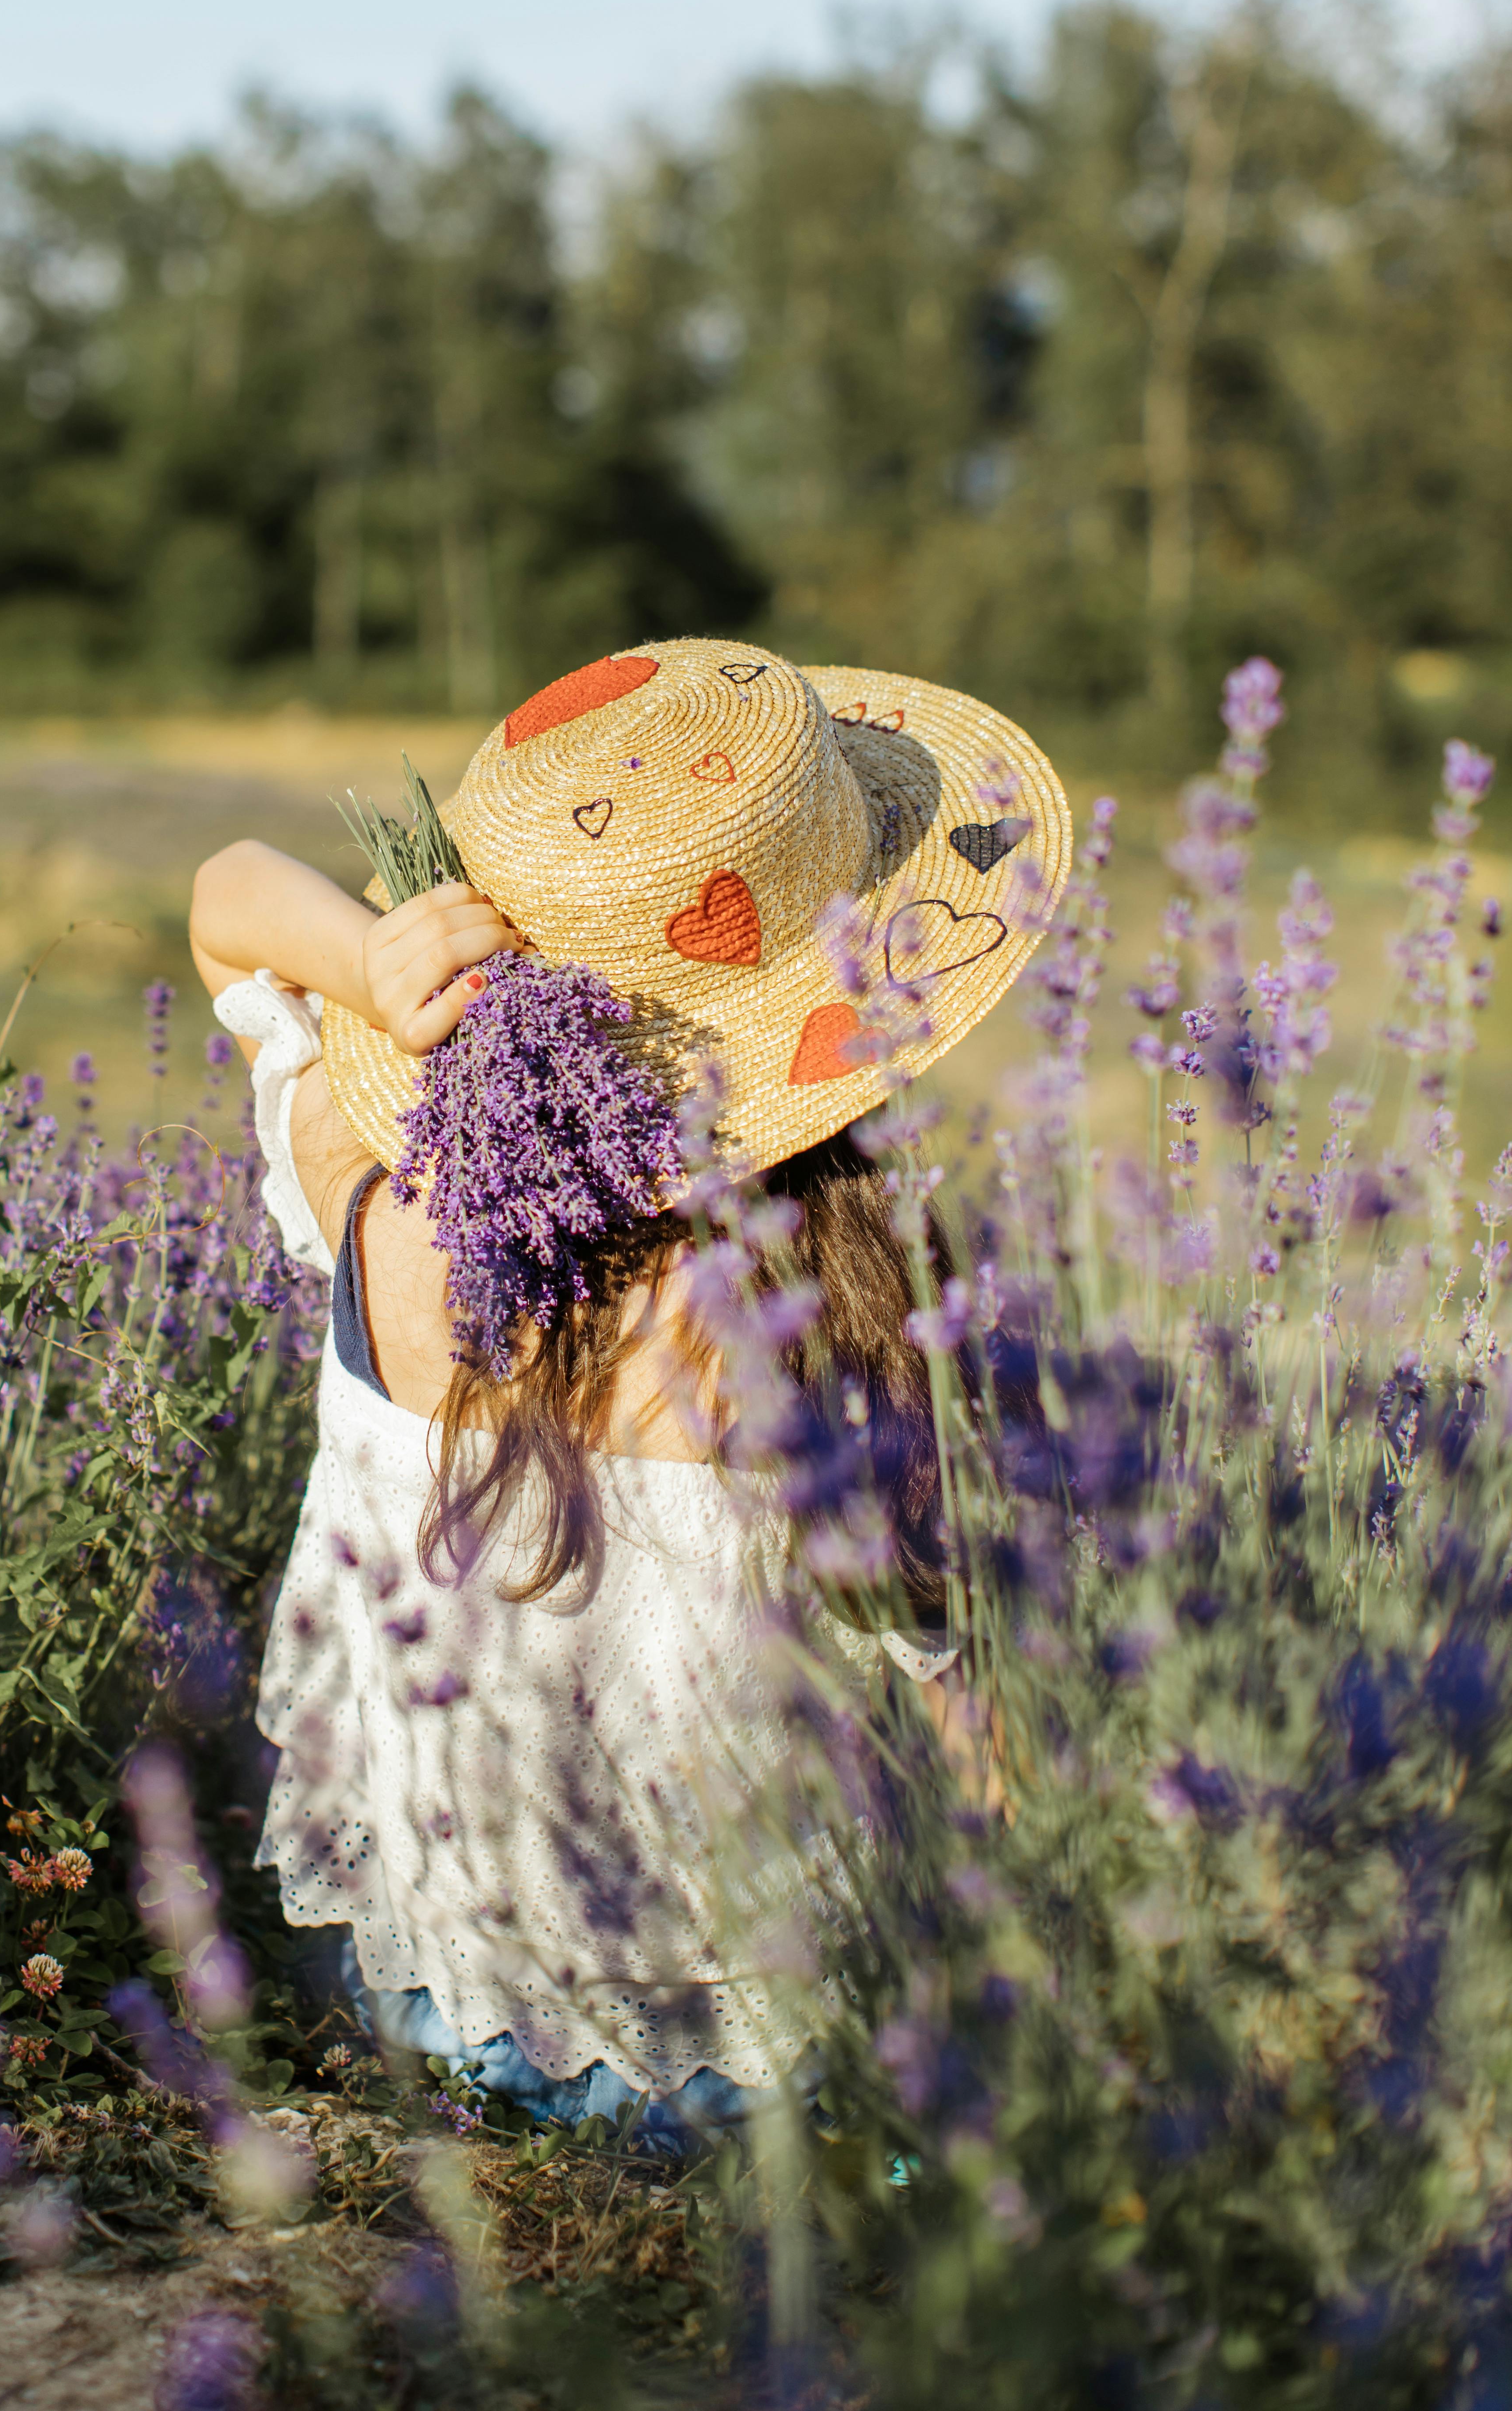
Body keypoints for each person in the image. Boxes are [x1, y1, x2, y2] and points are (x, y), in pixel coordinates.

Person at [187, 639, 1069, 2145]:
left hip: (424, 2004)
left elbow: (227, 902)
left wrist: (387, 972)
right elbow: (971, 1734)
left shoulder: (387, 1217)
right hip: (746, 2073)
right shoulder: (834, 1325)